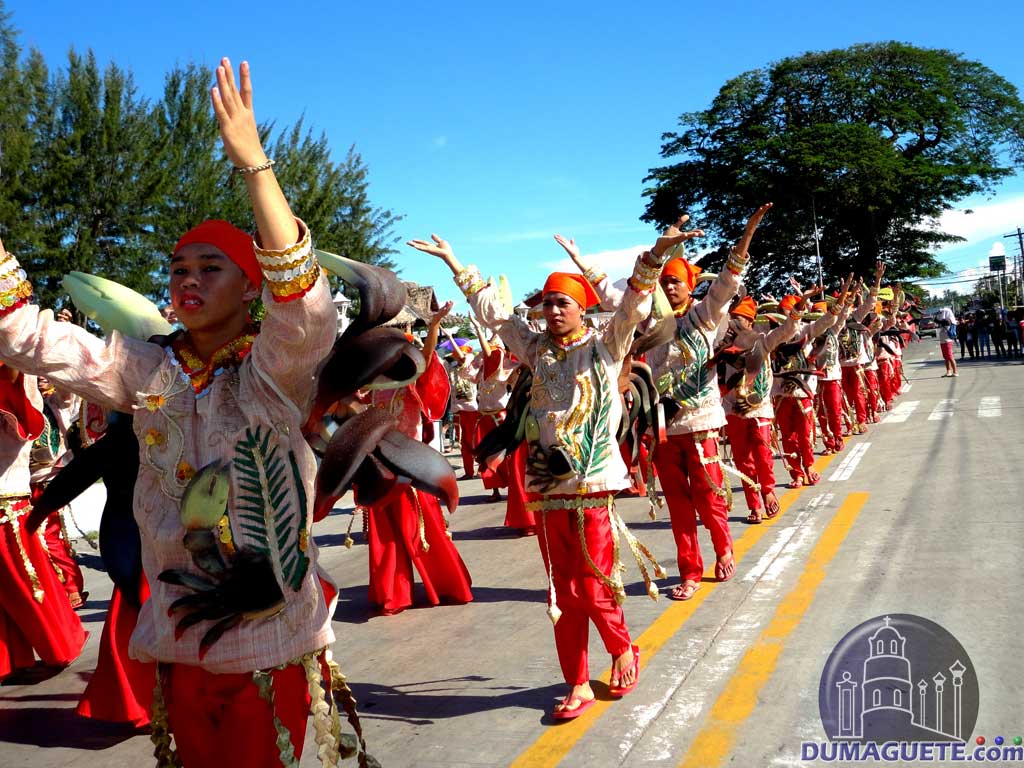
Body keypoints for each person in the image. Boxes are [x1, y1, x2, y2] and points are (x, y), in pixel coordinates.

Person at [0, 58, 360, 767]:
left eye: (209, 267)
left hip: (269, 638)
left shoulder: (275, 371)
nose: (188, 279)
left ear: (251, 287)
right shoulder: (147, 369)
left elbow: (305, 306)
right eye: (177, 269)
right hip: (180, 638)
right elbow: (33, 339)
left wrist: (256, 167)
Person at [408, 221, 693, 720]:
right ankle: (578, 681)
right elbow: (494, 315)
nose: (552, 311)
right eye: (546, 304)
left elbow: (634, 306)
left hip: (591, 485)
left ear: (583, 309)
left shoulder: (606, 346)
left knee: (592, 583)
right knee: (561, 589)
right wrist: (455, 264)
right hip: (547, 488)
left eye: (562, 303)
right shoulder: (534, 349)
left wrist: (655, 255)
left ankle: (623, 648)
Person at [642, 204, 771, 603]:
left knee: (710, 497)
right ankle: (690, 570)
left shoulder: (705, 316)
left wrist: (746, 235)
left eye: (676, 282)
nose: (669, 288)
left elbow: (729, 282)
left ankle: (724, 547)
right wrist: (660, 250)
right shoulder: (650, 325)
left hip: (699, 424)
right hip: (662, 427)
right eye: (664, 283)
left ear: (689, 285)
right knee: (679, 508)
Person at [364, 302, 474, 614]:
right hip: (377, 465)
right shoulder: (368, 381)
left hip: (412, 465)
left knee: (426, 533)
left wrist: (435, 327)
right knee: (384, 536)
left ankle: (448, 586)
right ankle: (392, 594)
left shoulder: (410, 375)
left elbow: (425, 361)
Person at [0, 365, 87, 681]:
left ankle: (60, 642)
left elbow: (27, 424)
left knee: (26, 580)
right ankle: (10, 659)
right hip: (16, 498)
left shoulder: (17, 391)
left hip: (10, 501)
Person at [936, 306, 959, 377]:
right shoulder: (945, 320)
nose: (941, 313)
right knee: (946, 357)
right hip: (943, 341)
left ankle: (955, 372)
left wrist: (938, 313)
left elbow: (937, 320)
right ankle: (948, 371)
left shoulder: (948, 320)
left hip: (947, 341)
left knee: (950, 356)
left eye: (942, 312)